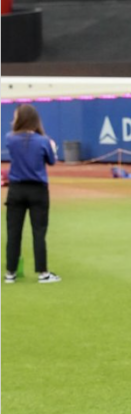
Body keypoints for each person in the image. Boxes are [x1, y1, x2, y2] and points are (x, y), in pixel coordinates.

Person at [4, 103, 61, 284]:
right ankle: (43, 273)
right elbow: (52, 161)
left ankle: (10, 273)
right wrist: (52, 147)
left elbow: (15, 146)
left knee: (13, 232)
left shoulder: (10, 139)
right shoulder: (43, 141)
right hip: (38, 190)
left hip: (16, 189)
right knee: (39, 232)